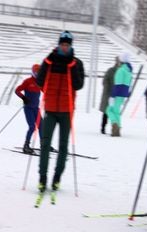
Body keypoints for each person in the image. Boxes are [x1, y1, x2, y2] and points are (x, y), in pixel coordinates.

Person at [35, 30, 84, 193]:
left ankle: (57, 178)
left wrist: (72, 67)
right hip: (50, 108)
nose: (64, 47)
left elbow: (78, 85)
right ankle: (42, 177)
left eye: (67, 45)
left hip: (67, 110)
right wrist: (47, 63)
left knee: (63, 145)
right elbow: (40, 80)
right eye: (62, 44)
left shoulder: (76, 63)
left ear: (71, 46)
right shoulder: (49, 61)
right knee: (45, 143)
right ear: (58, 44)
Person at [14, 63, 43, 153]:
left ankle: (44, 145)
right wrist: (24, 98)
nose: (38, 74)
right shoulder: (27, 81)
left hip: (36, 108)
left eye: (39, 72)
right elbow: (17, 90)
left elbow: (45, 90)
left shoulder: (40, 82)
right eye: (36, 72)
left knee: (41, 126)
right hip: (28, 108)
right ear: (33, 72)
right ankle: (26, 146)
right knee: (32, 127)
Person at [106, 52, 132, 137]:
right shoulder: (128, 71)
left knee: (109, 110)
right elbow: (129, 85)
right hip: (123, 94)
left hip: (117, 94)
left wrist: (113, 96)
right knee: (116, 112)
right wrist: (127, 94)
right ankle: (117, 130)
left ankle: (115, 125)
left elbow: (118, 85)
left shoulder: (121, 70)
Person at [99, 57, 119, 135]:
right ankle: (103, 127)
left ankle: (114, 129)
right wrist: (108, 90)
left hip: (116, 95)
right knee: (106, 112)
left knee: (114, 113)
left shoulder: (121, 71)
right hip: (109, 94)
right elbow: (105, 81)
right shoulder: (111, 70)